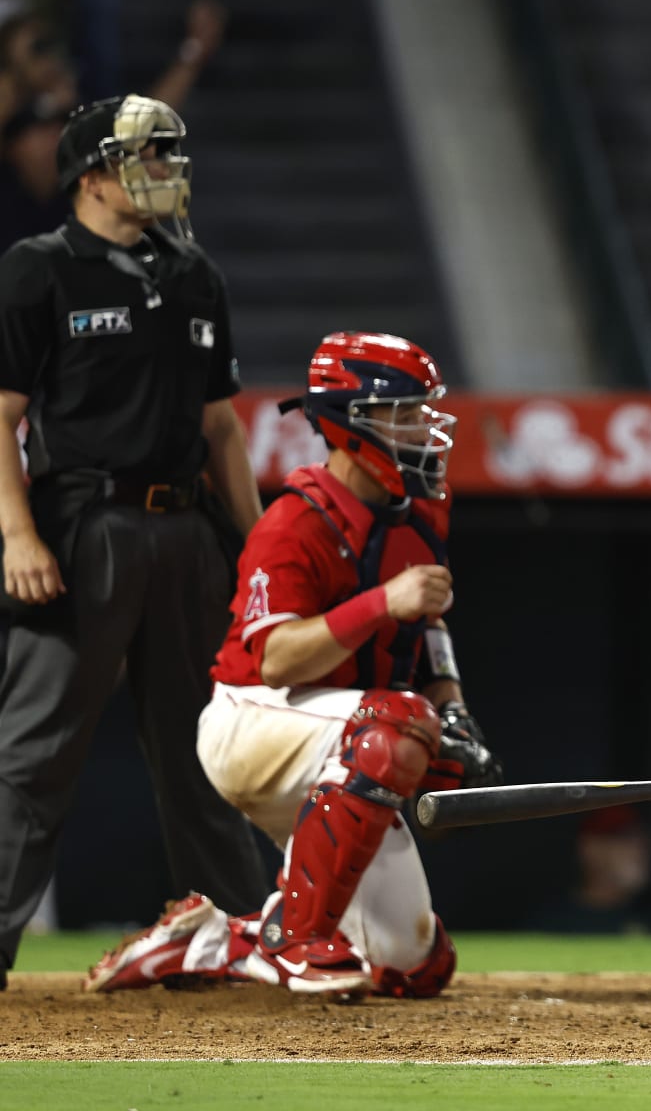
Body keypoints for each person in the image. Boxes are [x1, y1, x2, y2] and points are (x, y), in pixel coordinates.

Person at [81, 331, 501, 997]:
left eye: (424, 410)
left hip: (343, 741)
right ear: (349, 425)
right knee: (393, 725)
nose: (424, 427)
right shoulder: (295, 521)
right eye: (404, 412)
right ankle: (293, 939)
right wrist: (381, 604)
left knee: (414, 967)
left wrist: (451, 709)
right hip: (253, 724)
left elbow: (428, 618)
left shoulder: (424, 511)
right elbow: (274, 657)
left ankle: (215, 940)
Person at [0, 95, 268, 991]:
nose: (165, 170)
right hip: (85, 529)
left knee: (211, 752)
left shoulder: (195, 273)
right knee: (36, 755)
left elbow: (221, 430)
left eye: (168, 153)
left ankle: (240, 946)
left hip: (186, 530)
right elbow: (0, 417)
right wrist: (16, 532)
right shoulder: (40, 269)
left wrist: (259, 545)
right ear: (93, 175)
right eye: (146, 155)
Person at [526, 806, 651, 935]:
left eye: (641, 837)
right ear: (589, 848)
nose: (639, 849)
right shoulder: (549, 925)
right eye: (624, 837)